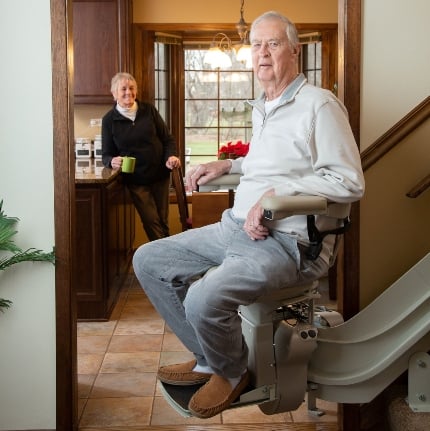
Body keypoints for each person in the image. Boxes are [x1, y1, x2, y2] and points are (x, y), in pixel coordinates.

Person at [132, 11, 365, 418]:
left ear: (295, 49)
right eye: (256, 45)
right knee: (149, 260)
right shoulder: (265, 106)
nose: (262, 53)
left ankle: (231, 370)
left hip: (289, 243)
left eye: (272, 44)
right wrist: (227, 166)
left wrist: (275, 197)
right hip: (235, 228)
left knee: (204, 297)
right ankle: (210, 359)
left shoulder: (319, 106)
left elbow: (349, 182)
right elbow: (269, 166)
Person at [102, 72, 180, 241]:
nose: (128, 92)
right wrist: (112, 161)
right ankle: (164, 257)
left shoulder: (149, 110)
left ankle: (166, 258)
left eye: (132, 88)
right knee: (151, 221)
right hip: (136, 180)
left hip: (160, 174)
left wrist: (170, 156)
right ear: (114, 93)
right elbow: (106, 154)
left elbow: (167, 139)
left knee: (162, 220)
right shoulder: (109, 120)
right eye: (123, 89)